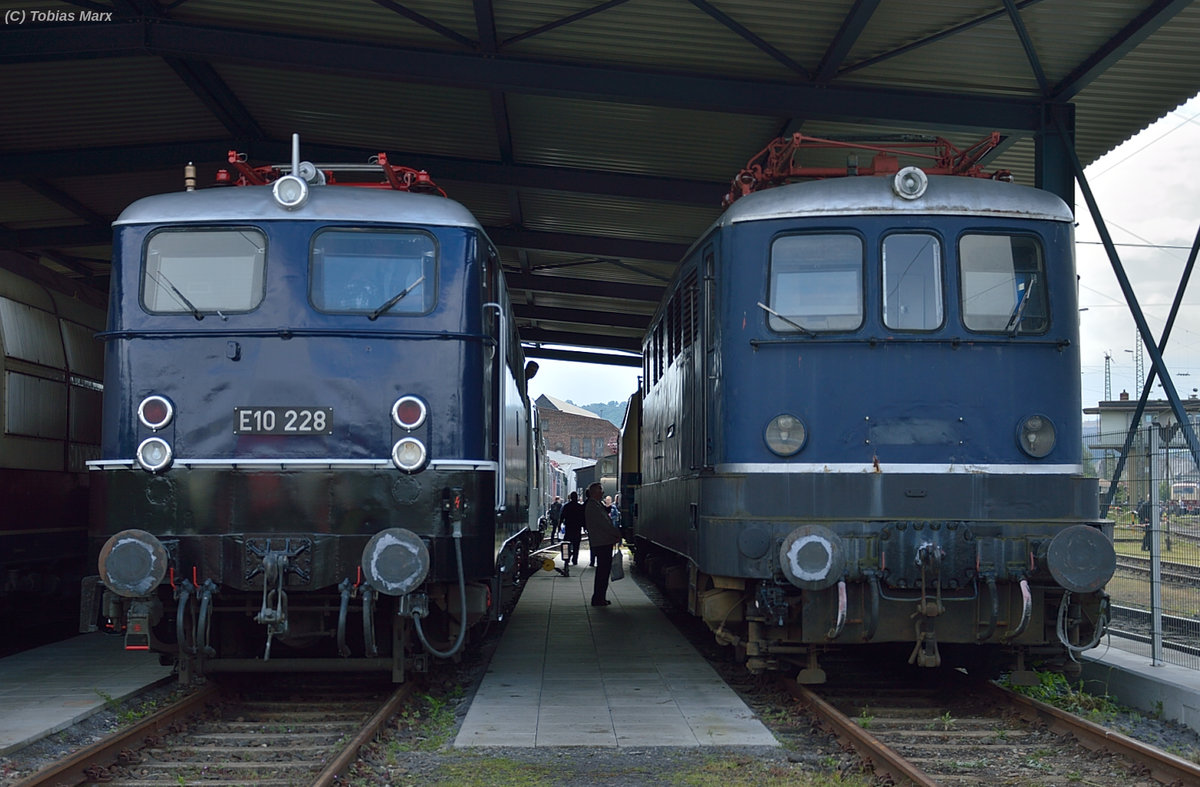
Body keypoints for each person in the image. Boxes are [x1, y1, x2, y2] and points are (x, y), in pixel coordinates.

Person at [585, 482, 622, 607]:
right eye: (601, 490)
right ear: (595, 492)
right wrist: (616, 533)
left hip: (602, 541)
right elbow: (604, 524)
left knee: (603, 571)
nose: (603, 493)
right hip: (602, 542)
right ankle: (598, 598)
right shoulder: (593, 506)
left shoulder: (595, 505)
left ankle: (600, 597)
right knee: (603, 571)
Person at [560, 491, 586, 566]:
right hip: (577, 528)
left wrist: (559, 525)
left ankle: (566, 559)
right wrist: (584, 527)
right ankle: (575, 559)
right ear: (577, 498)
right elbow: (583, 518)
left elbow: (562, 516)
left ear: (570, 498)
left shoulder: (567, 506)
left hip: (569, 528)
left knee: (566, 544)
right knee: (576, 545)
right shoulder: (580, 507)